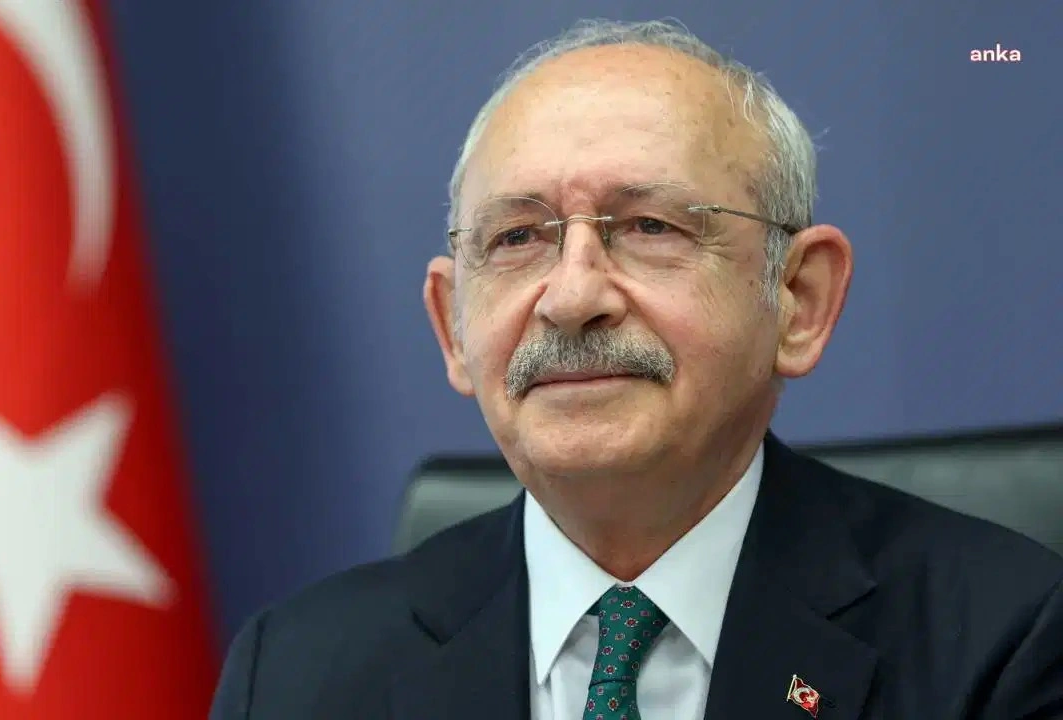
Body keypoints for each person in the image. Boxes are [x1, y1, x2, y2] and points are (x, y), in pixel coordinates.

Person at [210, 18, 1063, 720]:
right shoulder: (294, 674)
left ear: (798, 300)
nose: (572, 296)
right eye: (517, 238)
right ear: (453, 329)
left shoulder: (1006, 642)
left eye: (651, 227)